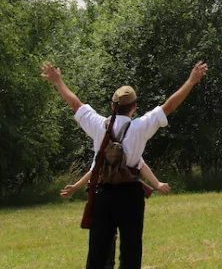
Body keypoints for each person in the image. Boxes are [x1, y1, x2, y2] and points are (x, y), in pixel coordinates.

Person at [41, 60, 208, 269]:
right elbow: (169, 106)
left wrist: (58, 82)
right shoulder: (140, 127)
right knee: (131, 249)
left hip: (103, 194)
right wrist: (191, 81)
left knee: (98, 250)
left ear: (113, 106)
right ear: (134, 107)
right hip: (130, 195)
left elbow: (75, 104)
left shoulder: (98, 125)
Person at [61, 160, 170, 269]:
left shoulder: (128, 154)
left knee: (120, 241)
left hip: (121, 197)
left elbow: (141, 165)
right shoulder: (106, 154)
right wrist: (75, 187)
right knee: (107, 239)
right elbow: (94, 170)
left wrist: (157, 183)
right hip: (108, 197)